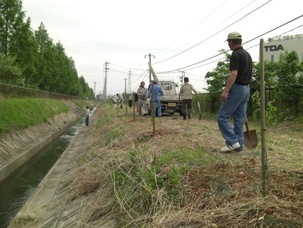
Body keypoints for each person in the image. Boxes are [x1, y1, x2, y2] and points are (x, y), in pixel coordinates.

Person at [217, 31, 252, 152]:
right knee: (239, 119)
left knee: (222, 116)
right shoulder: (247, 55)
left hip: (237, 88)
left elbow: (234, 74)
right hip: (246, 88)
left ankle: (232, 141)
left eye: (228, 42)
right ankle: (239, 146)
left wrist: (226, 91)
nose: (228, 45)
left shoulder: (236, 55)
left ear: (231, 42)